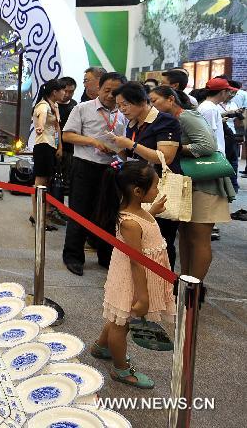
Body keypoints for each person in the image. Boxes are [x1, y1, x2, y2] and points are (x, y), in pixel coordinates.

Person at [91, 159, 174, 390]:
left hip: (135, 276)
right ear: (138, 191)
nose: (158, 191)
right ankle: (121, 369)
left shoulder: (138, 212)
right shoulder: (129, 222)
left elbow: (144, 230)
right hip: (132, 280)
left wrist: (153, 212)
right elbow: (137, 262)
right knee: (122, 324)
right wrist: (143, 296)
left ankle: (101, 346)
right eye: (155, 187)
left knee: (118, 316)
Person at [149, 86, 232, 285]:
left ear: (170, 99)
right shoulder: (171, 121)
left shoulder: (186, 117)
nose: (152, 105)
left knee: (199, 238)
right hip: (188, 184)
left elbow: (207, 146)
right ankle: (185, 283)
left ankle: (194, 288)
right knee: (186, 237)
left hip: (206, 186)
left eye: (155, 100)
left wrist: (176, 149)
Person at [61, 71, 127, 275]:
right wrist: (93, 141)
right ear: (99, 88)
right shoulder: (83, 108)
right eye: (107, 90)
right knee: (79, 212)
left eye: (115, 92)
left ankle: (106, 256)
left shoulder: (123, 113)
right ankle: (73, 256)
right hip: (85, 165)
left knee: (109, 214)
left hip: (112, 168)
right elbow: (67, 136)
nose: (110, 95)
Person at [109, 81, 181, 270]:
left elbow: (165, 157)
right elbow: (134, 156)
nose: (122, 109)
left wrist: (130, 144)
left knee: (160, 237)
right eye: (119, 105)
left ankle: (163, 282)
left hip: (158, 187)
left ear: (141, 100)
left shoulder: (165, 121)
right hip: (136, 187)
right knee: (138, 237)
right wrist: (118, 147)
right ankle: (140, 280)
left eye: (125, 104)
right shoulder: (133, 123)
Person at [31, 79, 64, 228]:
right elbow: (42, 118)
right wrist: (40, 127)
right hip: (43, 145)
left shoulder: (55, 105)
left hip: (51, 145)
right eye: (62, 90)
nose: (65, 93)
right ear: (54, 92)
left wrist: (59, 147)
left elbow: (57, 128)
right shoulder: (43, 105)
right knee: (40, 183)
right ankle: (36, 216)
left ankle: (40, 215)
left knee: (45, 182)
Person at [56, 77, 78, 195]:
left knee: (67, 181)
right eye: (65, 91)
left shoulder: (75, 106)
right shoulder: (50, 105)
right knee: (52, 180)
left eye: (71, 92)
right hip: (53, 146)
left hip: (70, 148)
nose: (67, 94)